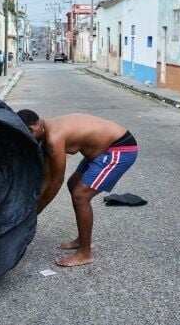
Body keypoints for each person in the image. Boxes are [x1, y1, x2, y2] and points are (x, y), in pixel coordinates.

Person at [17, 110, 138, 267]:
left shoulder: (54, 137)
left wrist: (32, 216)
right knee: (73, 184)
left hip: (120, 148)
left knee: (81, 195)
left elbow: (55, 181)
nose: (29, 139)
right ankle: (82, 239)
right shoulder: (46, 135)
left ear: (35, 127)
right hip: (99, 152)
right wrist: (32, 209)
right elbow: (46, 178)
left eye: (29, 134)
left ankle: (85, 253)